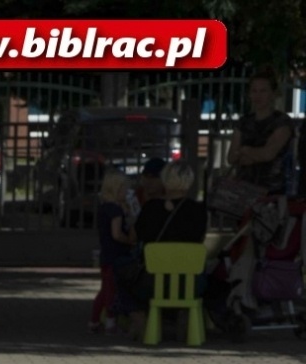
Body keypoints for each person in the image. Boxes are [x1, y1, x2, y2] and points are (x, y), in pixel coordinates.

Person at [116, 160, 209, 337]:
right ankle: (185, 314)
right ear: (189, 181)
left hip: (151, 283)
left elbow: (133, 238)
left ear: (165, 180)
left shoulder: (150, 208)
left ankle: (137, 313)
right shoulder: (198, 211)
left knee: (120, 265)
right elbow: (200, 239)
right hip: (190, 284)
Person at [228, 69, 296, 195]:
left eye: (263, 91)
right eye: (254, 91)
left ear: (273, 94)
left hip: (273, 191)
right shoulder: (244, 122)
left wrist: (245, 150)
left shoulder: (282, 122)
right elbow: (231, 157)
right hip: (243, 189)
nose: (257, 96)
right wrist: (255, 155)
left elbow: (268, 154)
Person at [91, 170, 133, 334]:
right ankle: (110, 321)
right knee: (111, 290)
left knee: (105, 289)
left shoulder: (104, 208)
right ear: (117, 189)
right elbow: (117, 234)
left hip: (107, 254)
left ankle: (95, 320)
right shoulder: (115, 211)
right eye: (124, 189)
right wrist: (129, 240)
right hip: (117, 254)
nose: (126, 193)